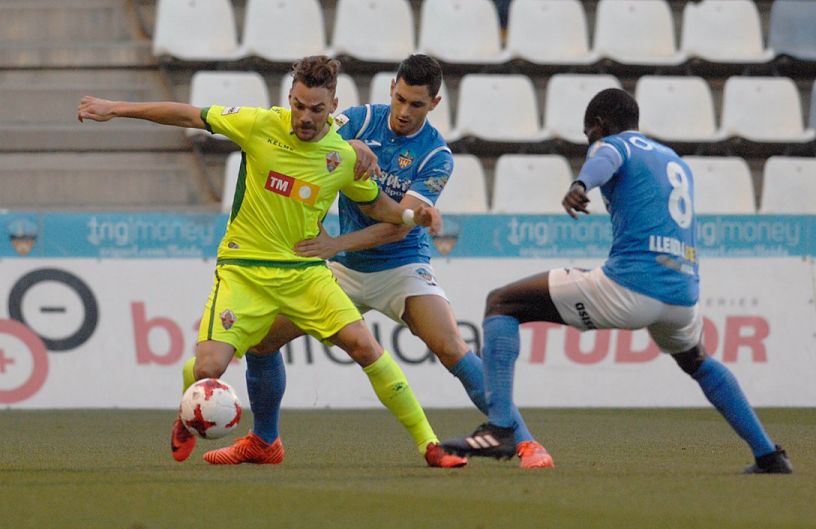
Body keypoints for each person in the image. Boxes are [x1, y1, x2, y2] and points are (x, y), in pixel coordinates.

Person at [77, 55, 465, 469]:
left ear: (333, 107)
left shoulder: (343, 156)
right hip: (244, 271)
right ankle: (188, 413)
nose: (305, 117)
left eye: (316, 109)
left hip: (304, 274)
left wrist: (412, 216)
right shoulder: (259, 124)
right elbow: (188, 114)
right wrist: (115, 108)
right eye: (298, 105)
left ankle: (430, 445)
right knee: (209, 368)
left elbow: (381, 207)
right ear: (289, 99)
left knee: (364, 346)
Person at [203, 54, 553, 469]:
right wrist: (348, 144)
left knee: (450, 346)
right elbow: (315, 132)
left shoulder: (436, 156)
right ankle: (264, 441)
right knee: (262, 341)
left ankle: (526, 441)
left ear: (435, 104)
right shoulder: (359, 120)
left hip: (401, 268)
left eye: (417, 105)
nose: (405, 112)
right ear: (391, 89)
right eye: (401, 99)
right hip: (343, 270)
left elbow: (398, 225)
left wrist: (336, 245)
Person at [441, 88, 793, 475]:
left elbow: (605, 156)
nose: (590, 143)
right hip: (682, 294)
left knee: (501, 304)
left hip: (631, 285)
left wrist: (580, 185)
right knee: (698, 361)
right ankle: (768, 454)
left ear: (599, 126)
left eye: (588, 134)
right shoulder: (674, 160)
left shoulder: (611, 144)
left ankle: (502, 428)